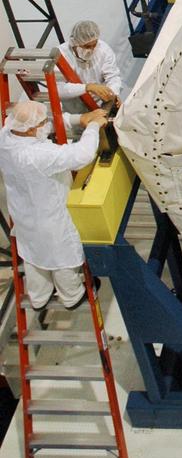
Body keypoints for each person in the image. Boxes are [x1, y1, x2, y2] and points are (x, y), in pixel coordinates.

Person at [0, 98, 108, 317]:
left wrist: (80, 119)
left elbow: (49, 122)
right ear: (30, 131)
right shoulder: (37, 155)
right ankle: (72, 296)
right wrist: (93, 126)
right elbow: (81, 155)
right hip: (50, 216)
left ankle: (38, 297)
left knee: (32, 255)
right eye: (41, 124)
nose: (46, 125)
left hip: (23, 214)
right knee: (62, 259)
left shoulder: (6, 136)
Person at [56, 20, 122, 105]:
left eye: (94, 45)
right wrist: (87, 87)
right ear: (74, 43)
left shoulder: (103, 50)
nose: (91, 50)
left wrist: (113, 95)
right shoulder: (61, 55)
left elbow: (113, 76)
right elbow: (58, 89)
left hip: (100, 104)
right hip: (72, 108)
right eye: (86, 46)